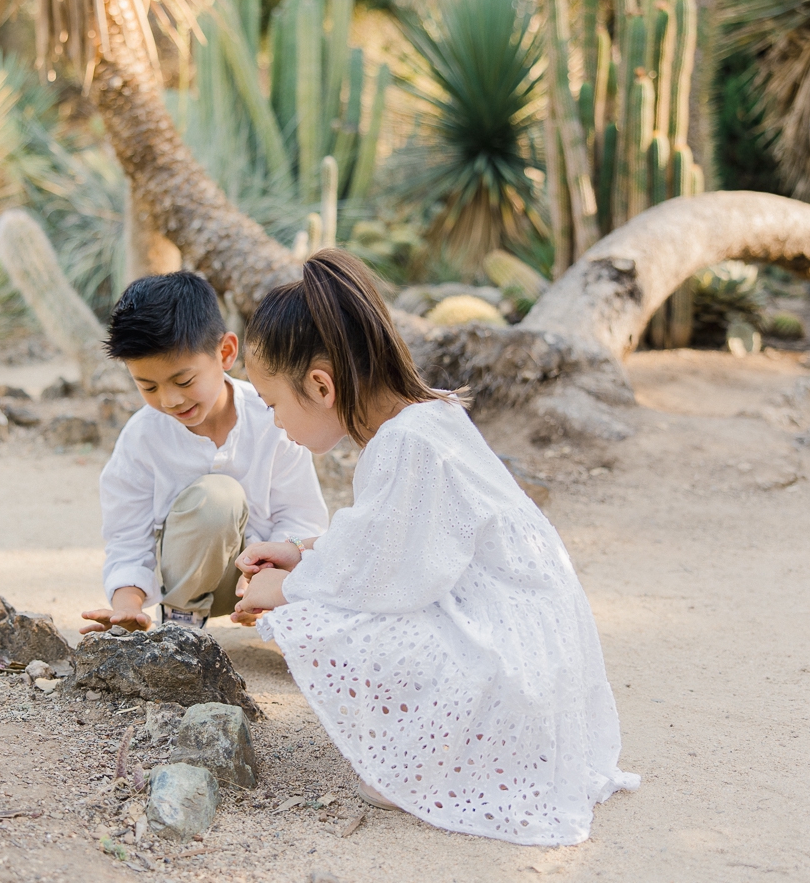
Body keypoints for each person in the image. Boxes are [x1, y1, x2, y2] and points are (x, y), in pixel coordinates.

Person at [231, 249, 638, 845]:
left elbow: (391, 576)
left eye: (273, 405)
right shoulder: (424, 422)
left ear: (320, 385)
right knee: (336, 602)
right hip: (533, 642)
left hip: (514, 654)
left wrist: (289, 588)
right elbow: (393, 538)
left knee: (331, 620)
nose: (274, 423)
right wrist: (302, 551)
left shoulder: (408, 444)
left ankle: (427, 765)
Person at [81, 271, 327, 633]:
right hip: (179, 579)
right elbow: (128, 538)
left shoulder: (271, 418)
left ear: (225, 352)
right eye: (147, 386)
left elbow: (301, 516)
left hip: (256, 577)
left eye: (184, 381)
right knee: (218, 498)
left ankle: (266, 607)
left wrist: (267, 578)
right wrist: (127, 608)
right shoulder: (142, 438)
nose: (169, 399)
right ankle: (182, 624)